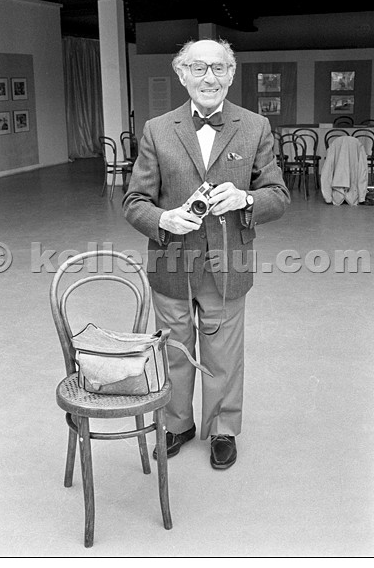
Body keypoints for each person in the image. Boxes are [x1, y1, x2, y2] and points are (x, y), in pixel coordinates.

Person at [123, 39, 290, 469]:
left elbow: (278, 195)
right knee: (174, 349)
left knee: (224, 355)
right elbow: (135, 201)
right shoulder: (157, 129)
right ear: (182, 75)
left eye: (218, 68)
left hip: (229, 263)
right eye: (198, 68)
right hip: (171, 262)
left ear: (231, 74)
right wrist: (164, 219)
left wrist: (246, 199)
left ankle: (223, 429)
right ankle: (177, 423)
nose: (209, 77)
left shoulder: (254, 126)